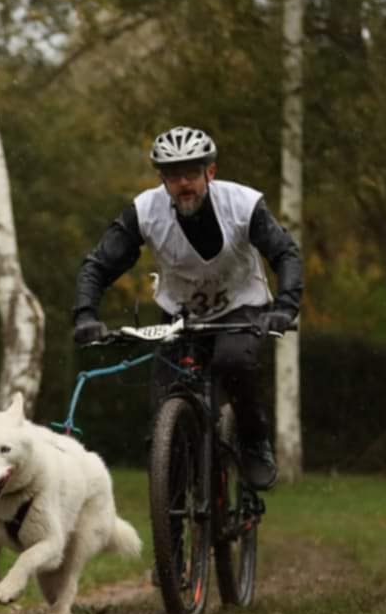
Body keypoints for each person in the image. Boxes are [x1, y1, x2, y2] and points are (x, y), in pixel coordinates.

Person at [72, 125, 303, 491]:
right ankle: (173, 505)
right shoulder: (145, 212)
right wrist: (86, 314)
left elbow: (285, 253)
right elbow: (99, 264)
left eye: (191, 173)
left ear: (210, 172)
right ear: (162, 179)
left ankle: (254, 441)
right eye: (173, 175)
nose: (183, 184)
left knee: (234, 362)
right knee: (165, 410)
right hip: (179, 317)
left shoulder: (243, 205)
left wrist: (286, 307)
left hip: (241, 307)